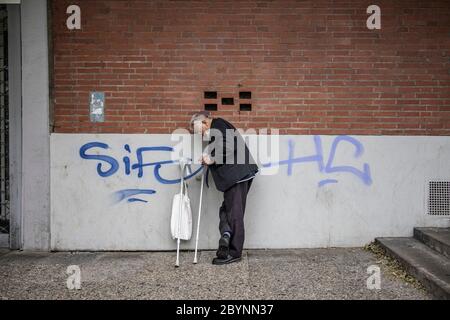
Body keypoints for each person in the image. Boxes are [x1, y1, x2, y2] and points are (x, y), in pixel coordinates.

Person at [190, 111, 259, 265]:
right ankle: (226, 237)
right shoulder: (217, 129)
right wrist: (209, 159)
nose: (199, 135)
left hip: (237, 176)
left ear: (205, 122)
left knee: (234, 214)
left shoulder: (218, 124)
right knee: (226, 211)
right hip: (237, 176)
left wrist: (211, 158)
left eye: (198, 130)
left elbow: (229, 146)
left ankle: (234, 253)